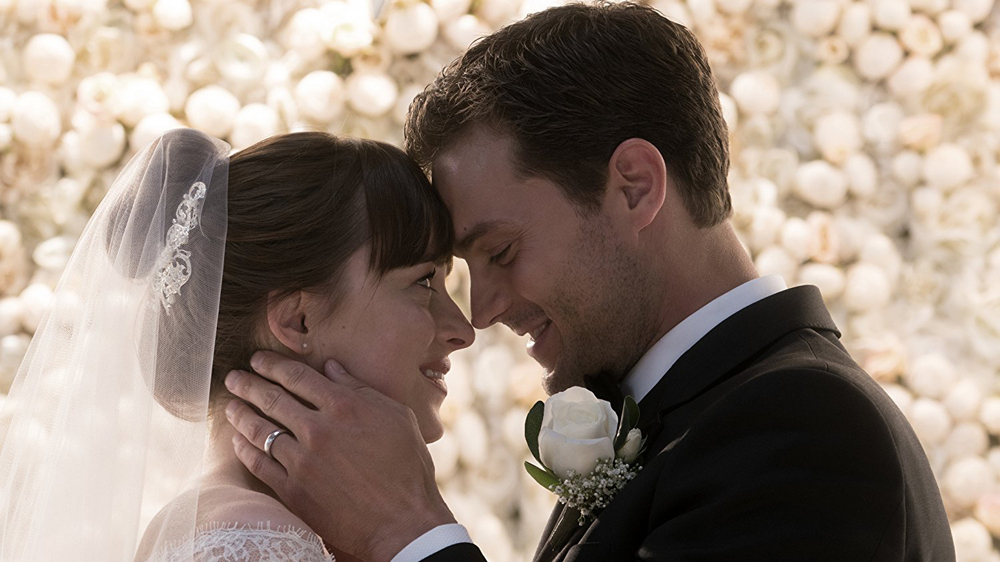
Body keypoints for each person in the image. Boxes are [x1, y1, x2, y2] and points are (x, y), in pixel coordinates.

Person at [224, 3, 956, 562]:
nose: (481, 314)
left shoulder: (803, 429)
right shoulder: (692, 411)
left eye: (501, 251)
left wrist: (410, 533)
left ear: (634, 187)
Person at [0, 128, 474, 561]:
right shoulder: (250, 541)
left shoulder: (251, 528)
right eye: (424, 282)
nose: (463, 329)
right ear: (298, 320)